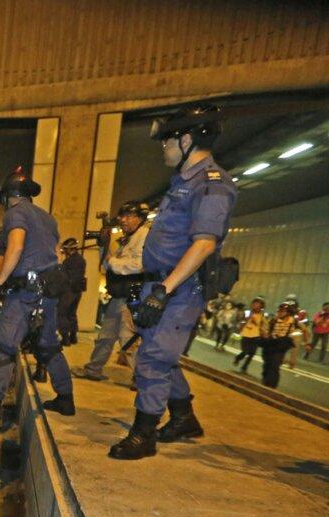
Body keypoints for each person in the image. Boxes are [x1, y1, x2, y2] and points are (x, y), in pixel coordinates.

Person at [109, 105, 237, 460]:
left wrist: (165, 289)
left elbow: (205, 242)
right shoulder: (182, 182)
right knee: (161, 354)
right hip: (162, 286)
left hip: (179, 289)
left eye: (167, 141)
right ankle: (183, 417)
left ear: (186, 139)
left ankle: (143, 435)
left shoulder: (211, 185)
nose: (163, 148)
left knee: (152, 360)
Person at [0, 168, 75, 427]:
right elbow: (53, 253)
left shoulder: (16, 213)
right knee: (47, 345)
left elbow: (16, 246)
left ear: (8, 195)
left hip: (26, 292)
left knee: (3, 345)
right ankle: (65, 397)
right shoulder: (47, 218)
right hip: (49, 291)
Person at [75, 201, 149, 381]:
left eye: (128, 216)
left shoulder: (144, 236)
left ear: (140, 218)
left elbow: (138, 266)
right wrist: (103, 245)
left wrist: (114, 263)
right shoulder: (128, 238)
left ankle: (143, 380)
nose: (123, 220)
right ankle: (93, 369)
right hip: (119, 296)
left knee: (128, 340)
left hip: (132, 296)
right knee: (105, 337)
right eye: (122, 216)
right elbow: (108, 265)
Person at [262, 302, 299, 389]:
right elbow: (265, 329)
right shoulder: (274, 320)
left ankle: (272, 386)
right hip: (270, 344)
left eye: (283, 311)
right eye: (279, 310)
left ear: (288, 312)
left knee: (275, 365)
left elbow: (303, 332)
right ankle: (265, 381)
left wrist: (306, 343)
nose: (280, 312)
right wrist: (265, 334)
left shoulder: (293, 322)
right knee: (267, 364)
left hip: (281, 346)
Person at [57, 238, 86, 346]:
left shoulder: (68, 261)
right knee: (71, 313)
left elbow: (63, 276)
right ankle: (73, 336)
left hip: (68, 291)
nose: (64, 251)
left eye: (65, 249)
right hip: (77, 291)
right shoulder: (81, 260)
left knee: (62, 313)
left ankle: (65, 338)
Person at [233, 297, 268, 374]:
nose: (256, 306)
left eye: (258, 305)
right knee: (245, 351)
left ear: (261, 307)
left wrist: (263, 331)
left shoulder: (262, 316)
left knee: (252, 353)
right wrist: (244, 322)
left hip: (255, 336)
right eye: (255, 304)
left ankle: (244, 367)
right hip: (246, 334)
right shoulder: (247, 312)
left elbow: (265, 325)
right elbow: (241, 321)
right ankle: (238, 358)